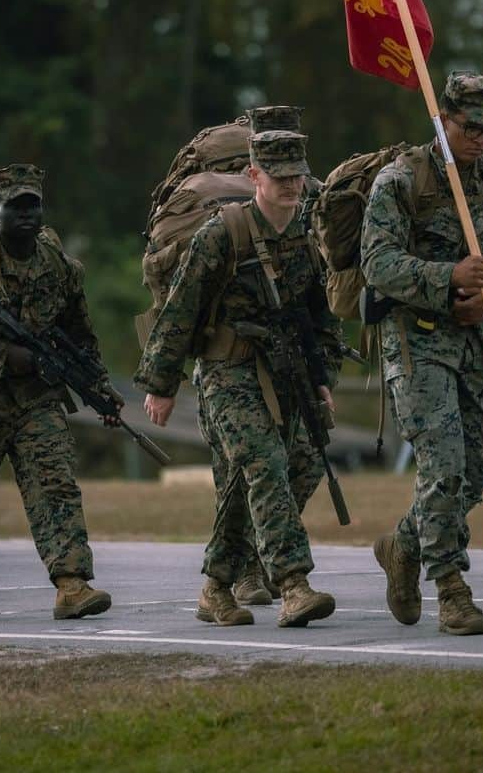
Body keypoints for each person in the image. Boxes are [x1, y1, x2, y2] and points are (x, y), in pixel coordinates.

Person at [360, 72, 483, 636]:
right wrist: (448, 280)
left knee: (476, 472)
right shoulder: (399, 181)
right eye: (472, 127)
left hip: (477, 343)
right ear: (443, 120)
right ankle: (452, 588)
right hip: (416, 341)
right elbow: (377, 262)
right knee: (443, 466)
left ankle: (404, 546)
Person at [137, 130, 339, 629]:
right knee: (264, 463)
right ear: (254, 177)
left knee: (283, 469)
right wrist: (162, 385)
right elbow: (180, 311)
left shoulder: (305, 236)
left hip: (285, 366)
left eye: (297, 176)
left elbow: (317, 317)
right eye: (280, 177)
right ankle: (293, 584)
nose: (292, 185)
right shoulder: (221, 234)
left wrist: (321, 378)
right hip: (226, 371)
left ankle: (215, 588)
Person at [0, 164, 120, 623]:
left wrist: (99, 388)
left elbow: (81, 338)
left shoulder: (62, 268)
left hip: (36, 401)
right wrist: (1, 357)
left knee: (56, 486)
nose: (27, 216)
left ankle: (72, 583)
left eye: (34, 206)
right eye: (17, 207)